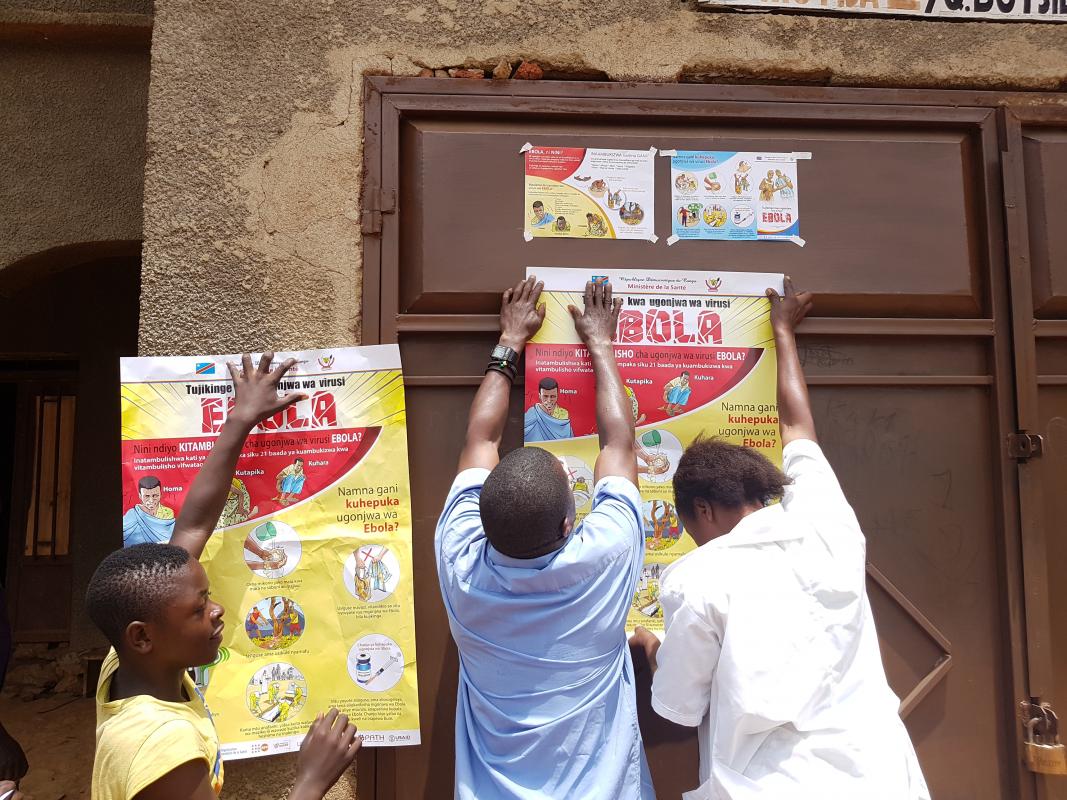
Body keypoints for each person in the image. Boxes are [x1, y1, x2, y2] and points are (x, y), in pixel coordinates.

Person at [630, 279, 929, 800]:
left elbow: (678, 703)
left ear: (702, 509)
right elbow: (798, 428)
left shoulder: (699, 578)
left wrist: (653, 647)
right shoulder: (825, 521)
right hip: (881, 776)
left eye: (690, 527)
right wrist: (783, 332)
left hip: (772, 785)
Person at [88, 352, 363, 800]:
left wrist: (241, 419)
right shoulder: (164, 745)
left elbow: (194, 525)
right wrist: (312, 780)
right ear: (142, 636)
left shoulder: (127, 665)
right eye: (199, 609)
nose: (217, 611)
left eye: (208, 597)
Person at [436, 276, 654, 799]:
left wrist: (510, 340)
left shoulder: (460, 565)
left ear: (482, 525)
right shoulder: (604, 556)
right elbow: (620, 445)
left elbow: (480, 439)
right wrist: (601, 341)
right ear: (566, 526)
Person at [122, 476, 176, 546]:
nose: (151, 500)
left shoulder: (168, 512)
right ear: (140, 496)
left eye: (155, 495)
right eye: (147, 496)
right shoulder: (132, 514)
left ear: (160, 494)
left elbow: (169, 538)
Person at [523, 376, 574, 442]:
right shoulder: (532, 413)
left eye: (553, 396)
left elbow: (569, 440)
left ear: (557, 396)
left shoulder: (563, 413)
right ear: (539, 396)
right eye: (545, 396)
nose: (549, 400)